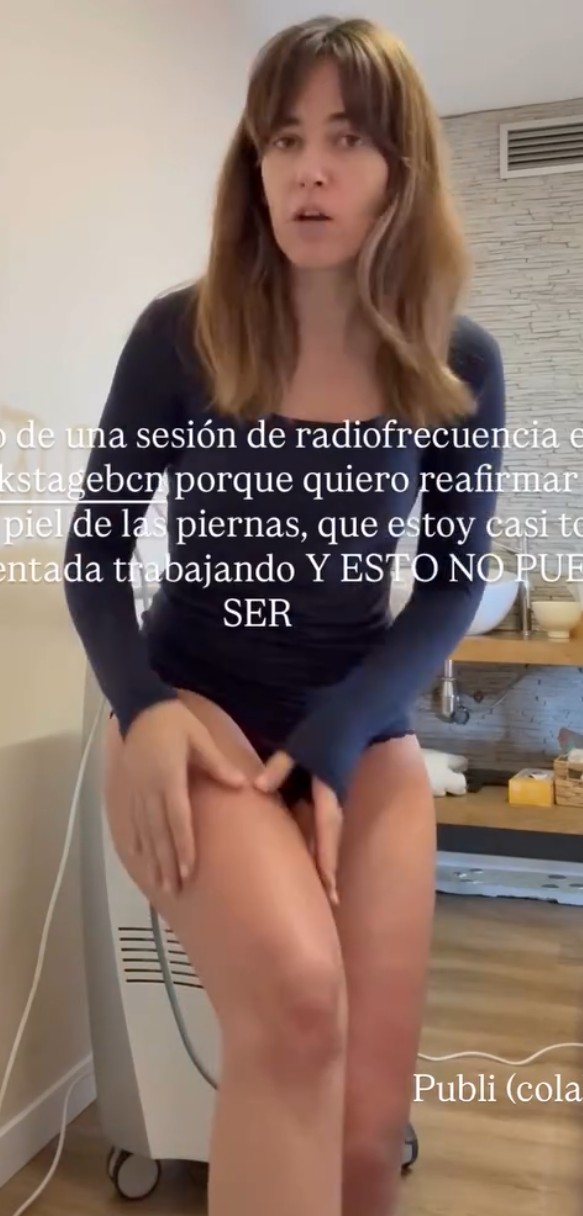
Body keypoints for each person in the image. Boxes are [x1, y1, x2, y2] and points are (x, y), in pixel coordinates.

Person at [64, 15, 505, 1216]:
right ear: (253, 164)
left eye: (346, 139)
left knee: (368, 1127)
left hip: (357, 726)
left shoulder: (456, 359)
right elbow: (95, 555)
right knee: (301, 1009)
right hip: (193, 714)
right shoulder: (180, 336)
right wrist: (141, 708)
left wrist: (336, 740)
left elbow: (451, 579)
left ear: (400, 168)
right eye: (285, 139)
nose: (310, 170)